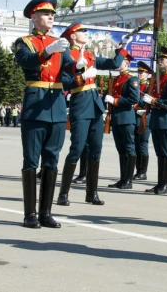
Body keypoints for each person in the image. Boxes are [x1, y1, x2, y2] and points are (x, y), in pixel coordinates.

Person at [57, 18, 130, 206]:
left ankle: (91, 193)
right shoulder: (66, 55)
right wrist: (82, 77)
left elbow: (114, 63)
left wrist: (122, 48)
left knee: (95, 150)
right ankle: (63, 194)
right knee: (77, 149)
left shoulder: (90, 55)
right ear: (73, 36)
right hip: (80, 104)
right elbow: (65, 82)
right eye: (83, 32)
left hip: (95, 106)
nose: (86, 34)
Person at [15, 0, 72, 229]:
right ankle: (30, 213)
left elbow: (67, 75)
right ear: (34, 17)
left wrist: (79, 69)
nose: (51, 17)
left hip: (57, 106)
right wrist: (49, 50)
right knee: (31, 160)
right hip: (35, 105)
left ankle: (45, 212)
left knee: (52, 159)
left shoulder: (60, 43)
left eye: (52, 14)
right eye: (46, 14)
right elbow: (27, 62)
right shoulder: (24, 41)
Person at [142, 46, 167, 195]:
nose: (160, 61)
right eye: (159, 59)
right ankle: (160, 184)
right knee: (159, 153)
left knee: (166, 152)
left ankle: (166, 184)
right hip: (157, 119)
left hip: (166, 119)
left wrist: (154, 101)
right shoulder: (158, 78)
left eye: (162, 59)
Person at [105, 51, 140, 189]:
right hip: (117, 118)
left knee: (129, 148)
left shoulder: (132, 79)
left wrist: (115, 101)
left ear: (126, 63)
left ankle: (128, 180)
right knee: (121, 149)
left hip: (126, 117)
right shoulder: (117, 79)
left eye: (120, 62)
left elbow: (133, 99)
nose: (117, 64)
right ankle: (123, 178)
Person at [134, 61, 153, 180]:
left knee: (142, 144)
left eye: (142, 72)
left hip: (145, 117)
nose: (140, 74)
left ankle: (143, 171)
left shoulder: (148, 87)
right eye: (139, 72)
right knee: (136, 144)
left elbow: (145, 101)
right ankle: (138, 170)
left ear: (148, 74)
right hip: (135, 117)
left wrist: (137, 106)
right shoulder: (136, 85)